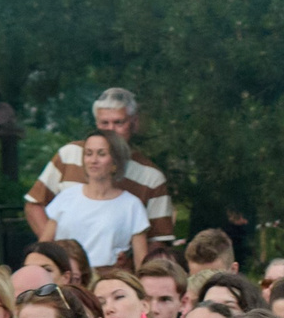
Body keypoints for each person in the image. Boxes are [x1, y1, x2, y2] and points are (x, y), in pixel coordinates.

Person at [20, 86, 176, 257]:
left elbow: (157, 241)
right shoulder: (69, 155)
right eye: (104, 123)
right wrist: (60, 255)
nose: (111, 130)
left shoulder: (150, 177)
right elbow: (34, 205)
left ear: (134, 123)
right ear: (96, 123)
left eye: (118, 122)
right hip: (66, 271)